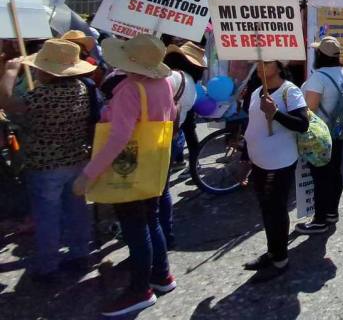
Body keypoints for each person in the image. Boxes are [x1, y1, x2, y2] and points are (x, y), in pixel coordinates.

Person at [73, 35, 176, 317]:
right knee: (151, 219)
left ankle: (140, 290)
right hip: (155, 160)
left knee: (135, 226)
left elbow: (119, 137)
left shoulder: (131, 89)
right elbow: (172, 115)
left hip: (130, 164)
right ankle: (162, 275)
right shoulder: (165, 83)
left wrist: (88, 174)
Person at [0, 39, 96, 281]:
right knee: (77, 211)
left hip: (45, 166)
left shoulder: (42, 95)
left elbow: (8, 103)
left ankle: (49, 266)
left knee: (47, 217)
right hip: (76, 159)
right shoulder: (81, 88)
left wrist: (10, 74)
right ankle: (80, 254)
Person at [242, 60, 309, 281]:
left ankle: (280, 260)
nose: (261, 65)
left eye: (267, 62)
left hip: (279, 163)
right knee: (266, 209)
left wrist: (276, 113)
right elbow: (252, 125)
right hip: (258, 162)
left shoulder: (290, 91)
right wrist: (245, 156)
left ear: (279, 66)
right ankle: (272, 252)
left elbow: (302, 124)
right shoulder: (256, 92)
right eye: (260, 61)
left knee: (276, 210)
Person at [296, 37, 343, 235]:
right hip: (340, 132)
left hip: (321, 136)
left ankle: (320, 219)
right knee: (335, 172)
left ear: (320, 55)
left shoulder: (318, 77)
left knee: (320, 177)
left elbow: (310, 108)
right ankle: (332, 213)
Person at [160, 41, 205, 247]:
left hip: (157, 137)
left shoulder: (172, 77)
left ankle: (161, 234)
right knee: (162, 189)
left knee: (156, 192)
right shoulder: (190, 84)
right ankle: (165, 233)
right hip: (170, 137)